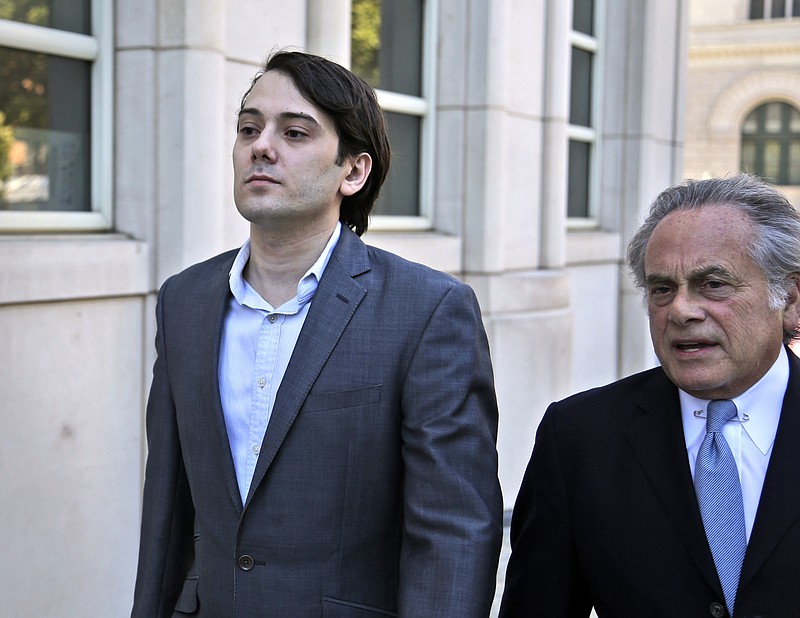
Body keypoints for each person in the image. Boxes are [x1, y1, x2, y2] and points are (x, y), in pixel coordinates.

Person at [131, 50, 503, 617]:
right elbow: (167, 511)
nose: (261, 145)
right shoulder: (183, 302)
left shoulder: (428, 310)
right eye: (248, 128)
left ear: (352, 171)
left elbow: (453, 532)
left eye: (295, 132)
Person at [499, 174, 800, 618]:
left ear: (790, 299)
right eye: (662, 289)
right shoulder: (579, 438)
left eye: (713, 284)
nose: (680, 310)